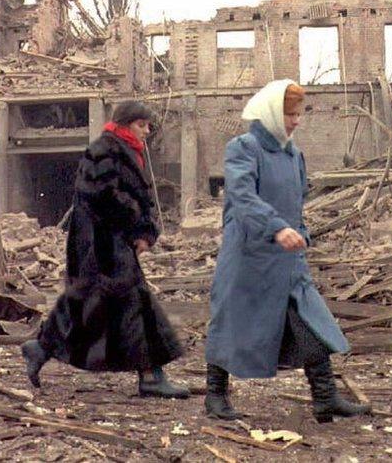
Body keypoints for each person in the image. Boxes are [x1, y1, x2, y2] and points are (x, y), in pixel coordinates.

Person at [204, 80, 370, 423]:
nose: (296, 121)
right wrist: (276, 227)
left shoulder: (294, 154)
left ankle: (325, 397)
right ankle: (215, 396)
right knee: (231, 320)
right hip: (249, 253)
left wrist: (299, 233)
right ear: (270, 114)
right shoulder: (244, 148)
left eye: (298, 114)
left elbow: (297, 204)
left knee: (310, 319)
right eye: (289, 114)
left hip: (288, 256)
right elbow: (242, 197)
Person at [21, 101, 189, 399]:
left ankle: (42, 347)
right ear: (125, 124)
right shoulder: (103, 150)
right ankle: (150, 375)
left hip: (110, 243)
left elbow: (134, 197)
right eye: (142, 125)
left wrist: (145, 231)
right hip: (100, 245)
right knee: (134, 302)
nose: (147, 131)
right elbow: (104, 197)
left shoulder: (125, 151)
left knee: (90, 303)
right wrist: (136, 227)